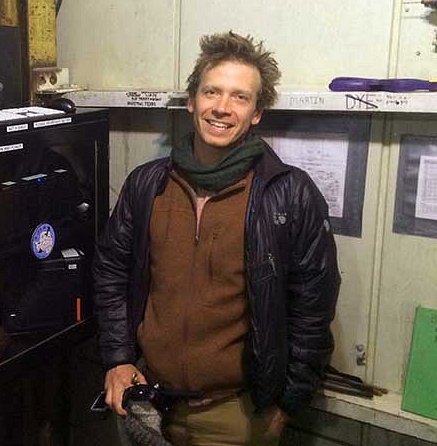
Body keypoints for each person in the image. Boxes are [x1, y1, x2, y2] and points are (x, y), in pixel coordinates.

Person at [92, 31, 340, 445]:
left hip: (236, 416)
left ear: (257, 112)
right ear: (192, 101)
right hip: (147, 399)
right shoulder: (146, 185)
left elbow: (313, 308)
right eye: (212, 92)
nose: (222, 108)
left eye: (240, 97)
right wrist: (118, 359)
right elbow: (111, 272)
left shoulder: (290, 194)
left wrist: (287, 404)